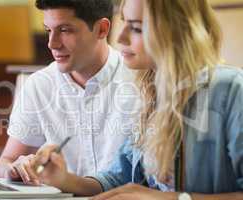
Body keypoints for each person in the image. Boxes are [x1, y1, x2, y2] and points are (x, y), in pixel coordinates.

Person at [19, 0, 243, 199]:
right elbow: (119, 177)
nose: (120, 37)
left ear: (175, 30)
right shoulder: (152, 93)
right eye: (124, 22)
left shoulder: (230, 90)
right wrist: (65, 180)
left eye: (135, 27)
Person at [0, 0, 140, 184]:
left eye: (65, 30)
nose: (52, 44)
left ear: (102, 29)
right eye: (48, 30)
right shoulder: (39, 86)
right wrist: (14, 169)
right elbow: (5, 162)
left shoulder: (140, 80)